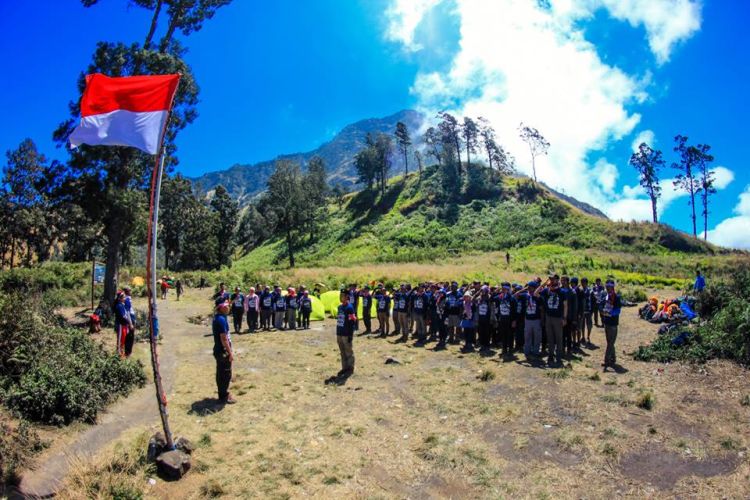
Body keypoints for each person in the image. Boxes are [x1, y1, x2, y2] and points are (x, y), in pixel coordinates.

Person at [537, 275, 566, 366]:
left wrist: (564, 318)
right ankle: (550, 355)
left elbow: (565, 305)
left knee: (558, 338)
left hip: (558, 318)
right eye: (550, 279)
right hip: (548, 317)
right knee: (550, 338)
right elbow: (535, 293)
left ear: (557, 280)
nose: (551, 281)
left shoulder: (562, 291)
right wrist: (544, 284)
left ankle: (558, 356)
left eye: (553, 279)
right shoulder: (547, 290)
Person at [329, 290, 357, 384]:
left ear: (347, 297)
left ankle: (350, 368)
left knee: (348, 351)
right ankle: (344, 368)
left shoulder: (350, 308)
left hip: (346, 334)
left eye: (343, 296)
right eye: (340, 296)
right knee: (342, 352)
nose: (341, 297)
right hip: (339, 333)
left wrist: (350, 335)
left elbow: (352, 322)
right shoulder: (340, 307)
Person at [212, 298, 236, 404]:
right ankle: (224, 396)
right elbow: (224, 339)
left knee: (222, 373)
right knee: (225, 374)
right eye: (226, 305)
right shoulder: (221, 319)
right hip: (222, 351)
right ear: (221, 307)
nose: (228, 307)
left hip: (220, 350)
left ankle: (223, 393)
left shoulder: (220, 317)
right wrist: (230, 353)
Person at [601, 280, 622, 371]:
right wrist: (602, 310)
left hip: (613, 323)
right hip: (607, 322)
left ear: (612, 287)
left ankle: (606, 360)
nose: (607, 288)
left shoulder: (616, 297)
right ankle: (613, 358)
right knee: (610, 341)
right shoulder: (606, 296)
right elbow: (601, 305)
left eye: (609, 287)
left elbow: (618, 311)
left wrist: (610, 313)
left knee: (610, 343)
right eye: (606, 287)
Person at [520, 281, 543, 359]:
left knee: (537, 337)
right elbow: (514, 295)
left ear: (534, 288)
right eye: (528, 287)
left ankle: (536, 352)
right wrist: (524, 289)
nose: (529, 289)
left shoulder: (538, 296)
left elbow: (542, 307)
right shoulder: (525, 295)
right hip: (528, 319)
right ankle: (527, 351)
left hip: (536, 319)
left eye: (531, 287)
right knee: (527, 336)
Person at [495, 282, 517, 357]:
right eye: (503, 289)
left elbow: (515, 310)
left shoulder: (512, 298)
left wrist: (514, 320)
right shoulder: (500, 297)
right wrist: (496, 291)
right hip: (502, 319)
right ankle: (504, 349)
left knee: (510, 335)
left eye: (505, 289)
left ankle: (510, 349)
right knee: (503, 334)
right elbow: (492, 299)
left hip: (509, 319)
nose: (503, 290)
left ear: (508, 290)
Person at [113, 291, 134, 358]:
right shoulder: (119, 306)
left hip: (124, 325)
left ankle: (121, 352)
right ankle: (118, 354)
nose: (125, 298)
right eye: (124, 297)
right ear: (120, 298)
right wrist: (129, 323)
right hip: (120, 325)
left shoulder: (122, 305)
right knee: (120, 339)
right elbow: (123, 316)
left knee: (123, 339)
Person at [475, 286, 493, 352]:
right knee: (480, 332)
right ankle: (482, 345)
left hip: (487, 319)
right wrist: (477, 293)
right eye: (481, 290)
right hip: (480, 318)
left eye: (483, 290)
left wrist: (492, 318)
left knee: (487, 333)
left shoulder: (490, 298)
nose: (482, 292)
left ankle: (487, 345)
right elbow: (473, 301)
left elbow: (492, 308)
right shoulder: (479, 298)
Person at [580, 278, 594, 345]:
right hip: (582, 311)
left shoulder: (590, 291)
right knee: (582, 325)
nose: (583, 284)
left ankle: (588, 336)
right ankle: (583, 337)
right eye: (582, 283)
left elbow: (593, 301)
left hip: (589, 310)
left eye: (584, 283)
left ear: (586, 283)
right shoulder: (580, 290)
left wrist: (592, 311)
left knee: (589, 325)